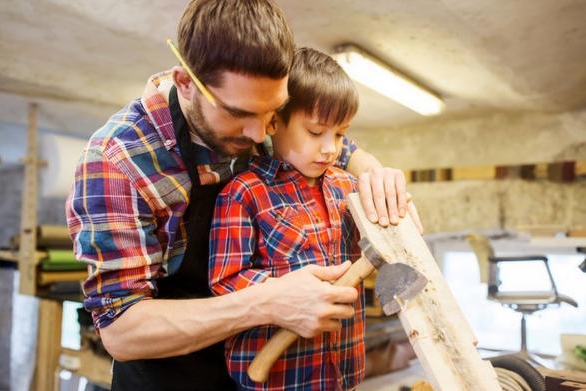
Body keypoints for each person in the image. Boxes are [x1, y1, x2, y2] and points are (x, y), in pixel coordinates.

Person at [66, 0, 420, 389]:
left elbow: (347, 151)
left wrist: (378, 178)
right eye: (240, 115)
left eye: (274, 112)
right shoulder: (118, 161)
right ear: (185, 82)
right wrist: (266, 302)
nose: (260, 134)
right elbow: (121, 332)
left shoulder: (267, 116)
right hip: (169, 377)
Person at [209, 47, 365, 390]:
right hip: (277, 375)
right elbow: (225, 283)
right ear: (274, 121)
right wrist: (281, 295)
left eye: (339, 135)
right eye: (315, 132)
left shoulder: (346, 187)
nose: (331, 149)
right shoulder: (244, 192)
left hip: (343, 369)